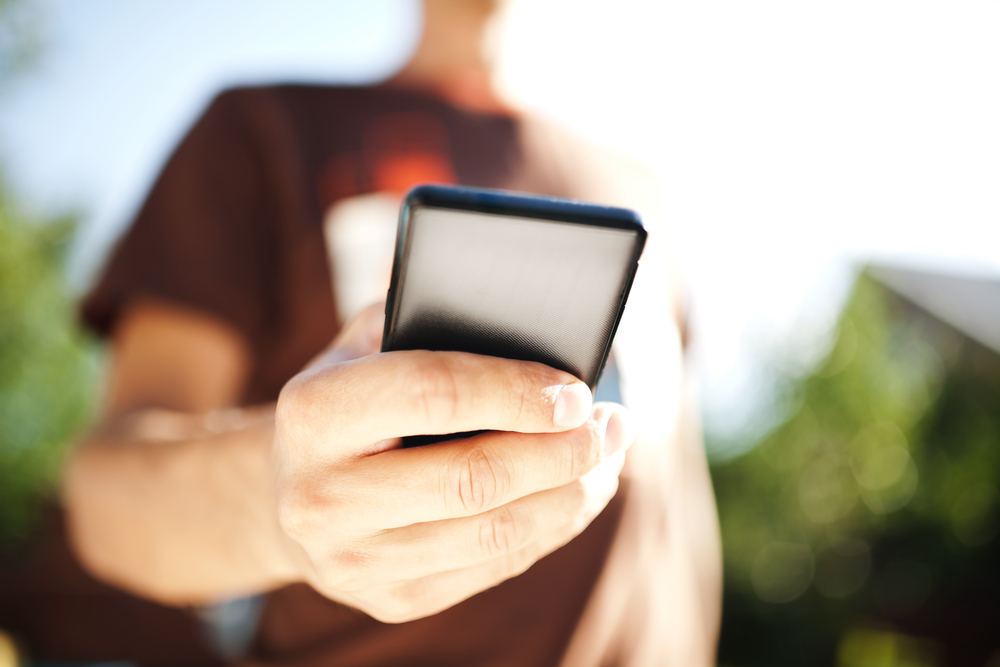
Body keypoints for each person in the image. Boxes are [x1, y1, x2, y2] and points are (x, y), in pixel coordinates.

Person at [2, 1, 722, 664]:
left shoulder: (644, 188)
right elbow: (106, 496)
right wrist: (276, 503)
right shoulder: (265, 127)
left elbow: (678, 505)